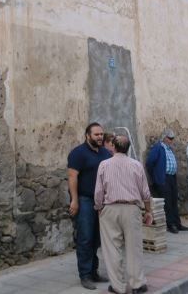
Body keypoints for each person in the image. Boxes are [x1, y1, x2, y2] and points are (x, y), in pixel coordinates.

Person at [94, 136, 151, 294]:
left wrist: (99, 207)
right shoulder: (136, 165)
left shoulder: (104, 165)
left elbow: (99, 191)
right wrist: (148, 211)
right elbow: (145, 192)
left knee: (112, 248)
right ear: (128, 147)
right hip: (132, 208)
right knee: (134, 247)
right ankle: (137, 284)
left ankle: (117, 286)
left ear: (113, 146)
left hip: (110, 208)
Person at [67, 122, 112, 289]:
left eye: (101, 134)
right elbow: (72, 177)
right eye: (96, 135)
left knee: (96, 239)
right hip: (85, 200)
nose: (100, 137)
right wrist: (74, 200)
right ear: (88, 136)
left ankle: (94, 272)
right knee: (85, 238)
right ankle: (85, 275)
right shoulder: (78, 153)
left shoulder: (105, 153)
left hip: (102, 202)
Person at [145, 130, 188, 234]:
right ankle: (170, 225)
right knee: (167, 202)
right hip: (163, 178)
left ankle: (177, 223)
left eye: (172, 138)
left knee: (174, 200)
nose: (171, 140)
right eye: (169, 138)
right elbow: (149, 162)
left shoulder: (169, 149)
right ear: (164, 137)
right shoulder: (158, 147)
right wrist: (155, 175)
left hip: (172, 177)